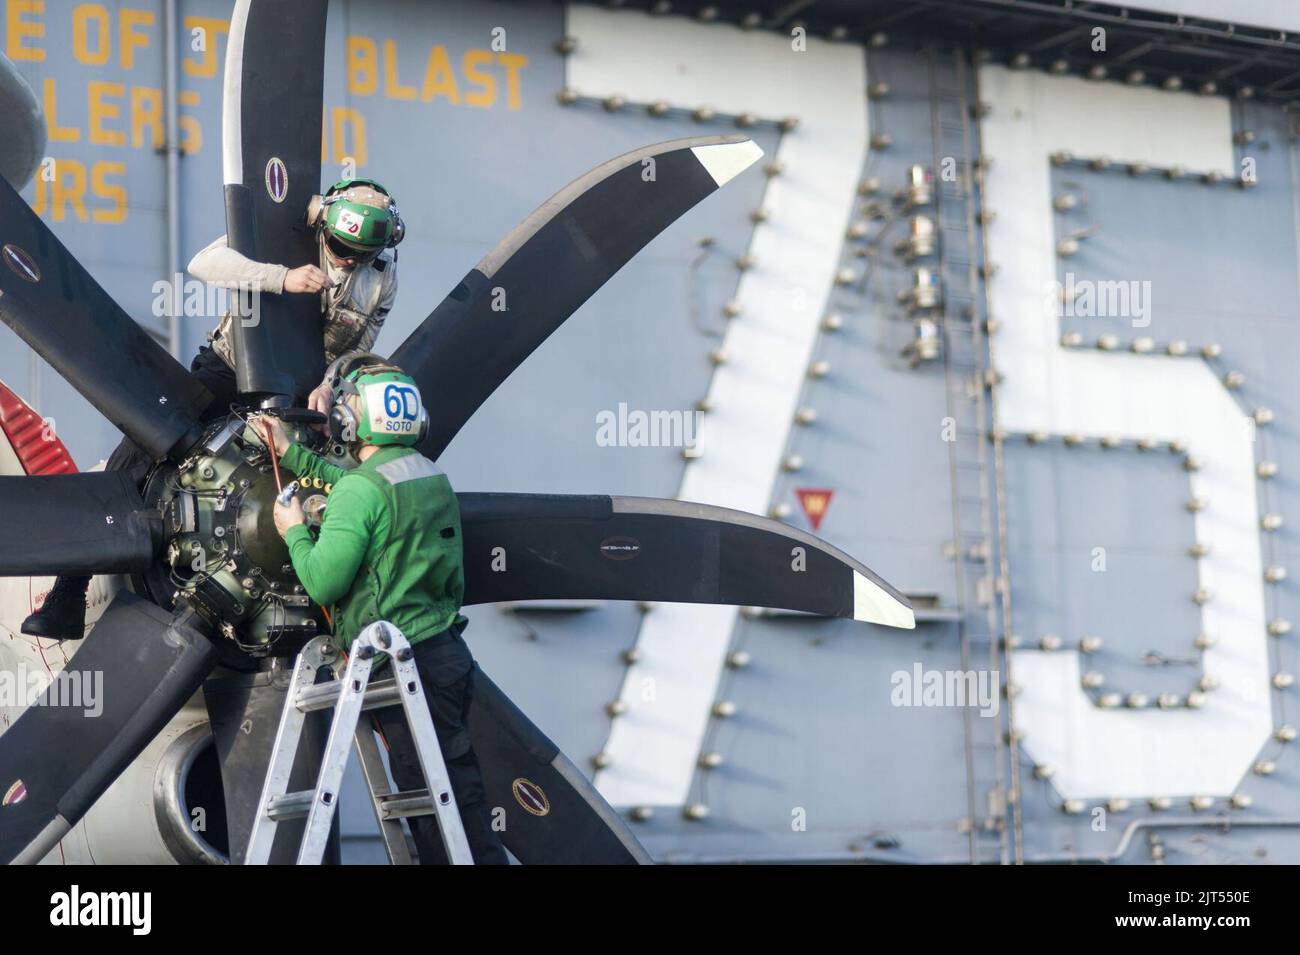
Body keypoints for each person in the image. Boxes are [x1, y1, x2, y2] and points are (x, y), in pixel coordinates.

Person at [22, 178, 403, 639]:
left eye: (358, 255)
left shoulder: (381, 279)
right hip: (230, 369)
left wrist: (329, 383)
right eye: (340, 246)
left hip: (302, 392)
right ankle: (69, 589)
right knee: (141, 452)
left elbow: (361, 345)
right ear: (324, 222)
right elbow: (205, 264)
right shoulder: (280, 231)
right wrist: (281, 278)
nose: (345, 260)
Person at [255, 358, 508, 866]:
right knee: (461, 793)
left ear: (353, 420)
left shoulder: (359, 491)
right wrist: (295, 456)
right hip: (446, 654)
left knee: (428, 805)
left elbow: (325, 579)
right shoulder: (429, 476)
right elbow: (362, 486)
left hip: (400, 669)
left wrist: (293, 530)